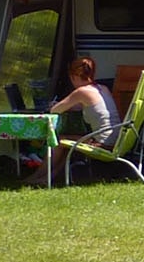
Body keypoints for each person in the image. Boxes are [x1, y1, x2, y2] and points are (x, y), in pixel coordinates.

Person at [26, 57, 116, 186]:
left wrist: (55, 105)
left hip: (102, 143)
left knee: (57, 141)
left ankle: (39, 175)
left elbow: (55, 110)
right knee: (67, 143)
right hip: (116, 139)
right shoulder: (102, 88)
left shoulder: (81, 92)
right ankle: (48, 177)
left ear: (74, 76)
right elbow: (87, 106)